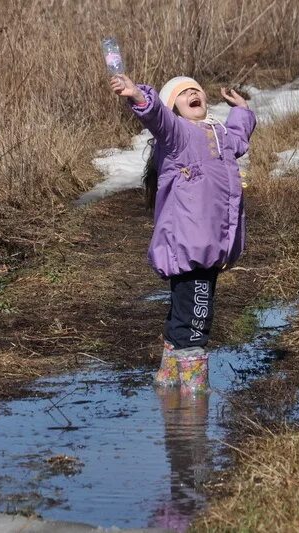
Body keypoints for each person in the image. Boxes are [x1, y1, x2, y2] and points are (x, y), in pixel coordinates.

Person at [110, 73, 256, 394]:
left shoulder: (219, 134)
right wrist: (137, 95)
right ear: (173, 106)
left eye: (197, 91)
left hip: (211, 244)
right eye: (184, 93)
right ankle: (193, 402)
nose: (193, 94)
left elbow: (239, 136)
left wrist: (242, 109)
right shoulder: (178, 135)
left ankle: (168, 385)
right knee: (196, 319)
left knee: (183, 312)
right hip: (191, 245)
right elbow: (157, 118)